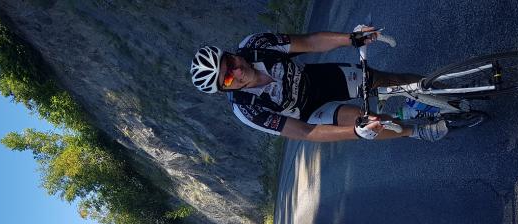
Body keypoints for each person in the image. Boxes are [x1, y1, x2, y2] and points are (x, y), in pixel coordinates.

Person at [189, 27, 448, 142]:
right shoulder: (247, 110)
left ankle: (441, 90)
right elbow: (304, 132)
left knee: (384, 79)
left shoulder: (256, 45)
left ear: (230, 54)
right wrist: (355, 132)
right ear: (225, 90)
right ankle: (413, 131)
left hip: (318, 78)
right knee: (369, 122)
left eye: (230, 61)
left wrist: (352, 38)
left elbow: (310, 42)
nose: (237, 70)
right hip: (311, 112)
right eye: (228, 77)